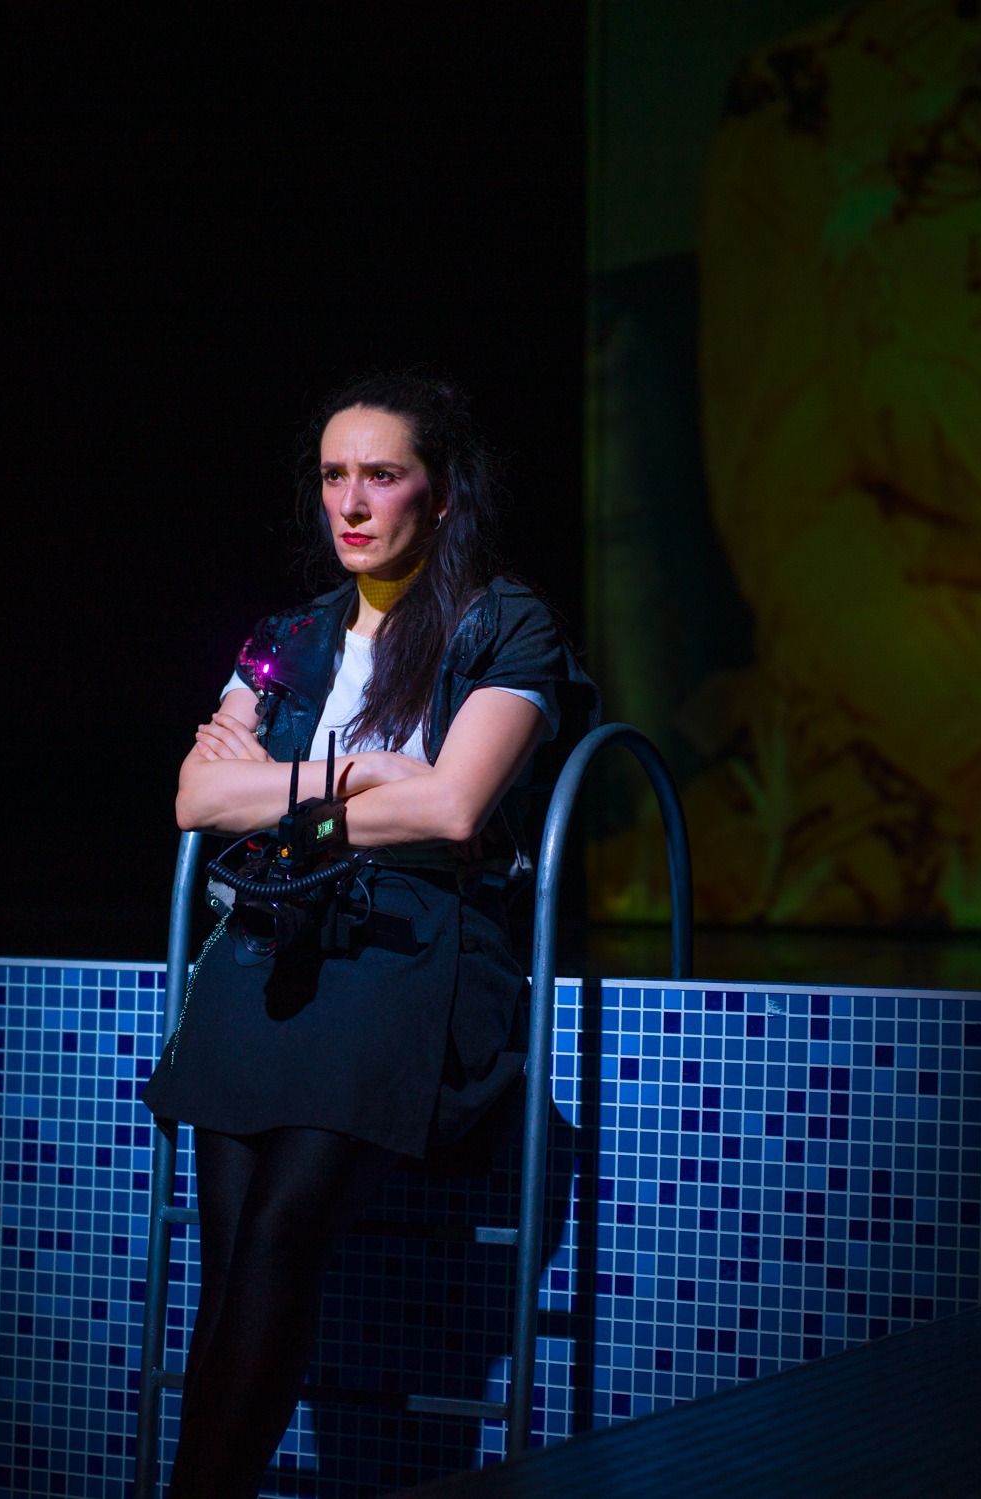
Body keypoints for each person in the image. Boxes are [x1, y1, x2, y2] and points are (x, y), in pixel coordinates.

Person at [141, 372, 595, 1499]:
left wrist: (289, 791)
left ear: (439, 495)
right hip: (272, 943)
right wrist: (364, 774)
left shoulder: (505, 623)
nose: (350, 502)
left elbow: (454, 811)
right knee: (232, 1248)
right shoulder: (287, 638)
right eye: (333, 475)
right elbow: (196, 799)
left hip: (412, 948)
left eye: (381, 475)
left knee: (281, 1229)